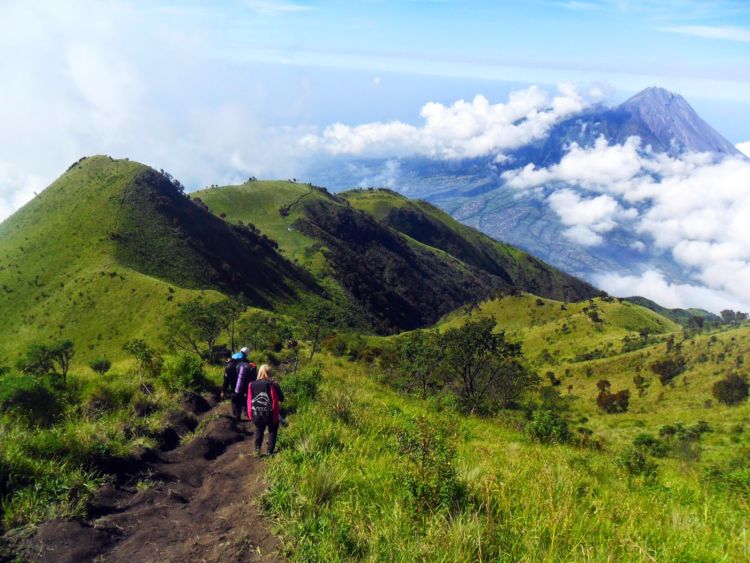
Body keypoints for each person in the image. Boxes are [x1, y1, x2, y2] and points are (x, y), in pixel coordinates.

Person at [247, 364, 284, 455]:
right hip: (270, 414)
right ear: (269, 373)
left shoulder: (251, 384)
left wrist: (250, 414)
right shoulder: (272, 384)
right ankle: (270, 451)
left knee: (259, 429)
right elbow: (281, 398)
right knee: (272, 431)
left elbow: (249, 400)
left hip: (256, 413)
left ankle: (257, 449)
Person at [233, 347, 256, 421]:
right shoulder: (249, 363)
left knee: (236, 399)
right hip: (246, 384)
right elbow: (253, 376)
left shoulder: (236, 360)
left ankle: (237, 416)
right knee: (245, 398)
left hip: (237, 383)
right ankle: (246, 412)